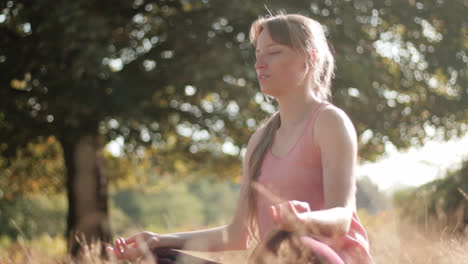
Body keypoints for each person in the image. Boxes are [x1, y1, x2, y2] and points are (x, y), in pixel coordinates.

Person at [107, 12, 374, 264]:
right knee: (155, 258)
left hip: (321, 258)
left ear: (309, 59)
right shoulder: (260, 140)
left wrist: (304, 221)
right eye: (258, 54)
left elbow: (342, 217)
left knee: (293, 241)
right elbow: (238, 234)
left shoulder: (329, 122)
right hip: (271, 260)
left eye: (274, 52)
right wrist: (157, 240)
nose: (259, 63)